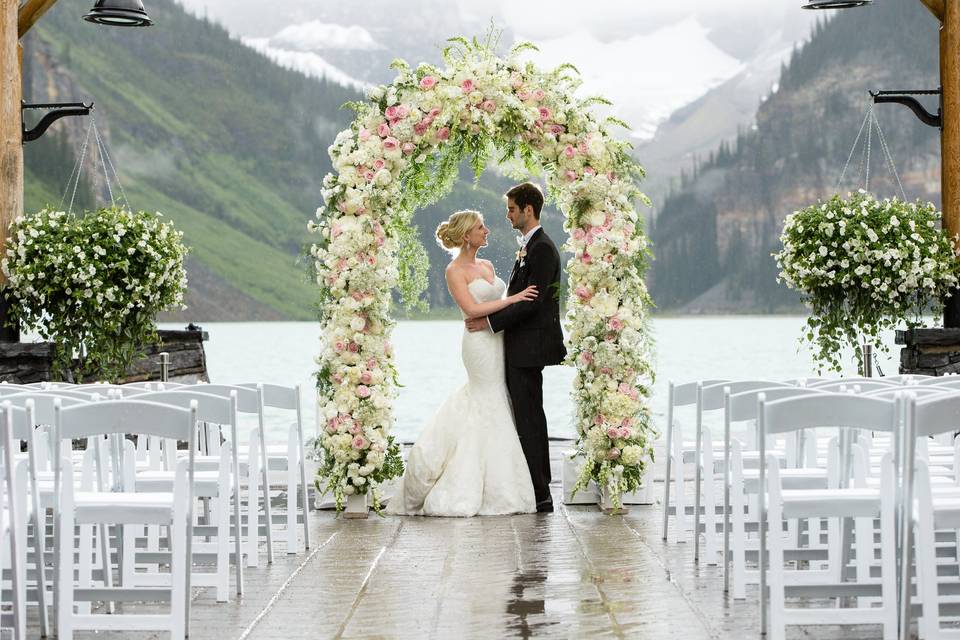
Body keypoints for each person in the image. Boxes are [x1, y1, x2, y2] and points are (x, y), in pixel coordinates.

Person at [386, 210, 538, 516]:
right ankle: (469, 486)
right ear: (467, 235)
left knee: (496, 399)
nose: (487, 231)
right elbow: (471, 310)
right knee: (485, 397)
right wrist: (513, 299)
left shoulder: (488, 265)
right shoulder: (454, 271)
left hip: (497, 340)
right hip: (478, 344)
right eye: (481, 227)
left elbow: (491, 308)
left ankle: (502, 483)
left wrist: (508, 308)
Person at [465, 183, 566, 513]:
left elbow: (532, 304)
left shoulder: (542, 249)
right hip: (518, 347)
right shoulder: (529, 247)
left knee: (530, 418)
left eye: (511, 209)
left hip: (529, 348)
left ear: (528, 209)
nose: (507, 215)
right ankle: (536, 486)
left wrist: (489, 324)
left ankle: (540, 492)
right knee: (526, 416)